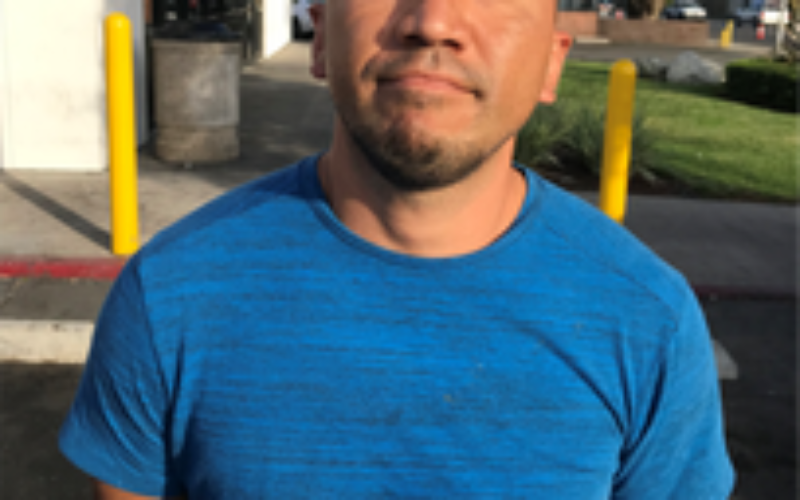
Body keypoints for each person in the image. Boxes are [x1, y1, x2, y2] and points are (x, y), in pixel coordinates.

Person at [60, 0, 735, 498]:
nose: (433, 20)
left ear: (551, 63)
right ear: (322, 36)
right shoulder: (168, 297)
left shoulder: (650, 323)